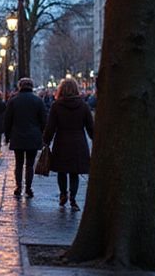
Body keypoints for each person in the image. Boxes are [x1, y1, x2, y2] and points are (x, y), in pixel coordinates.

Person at [43, 78, 94, 211]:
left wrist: (46, 141)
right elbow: (90, 127)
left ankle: (63, 194)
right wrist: (96, 139)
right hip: (78, 143)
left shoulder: (56, 106)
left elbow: (51, 127)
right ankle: (73, 197)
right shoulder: (83, 106)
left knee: (62, 171)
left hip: (61, 141)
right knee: (74, 172)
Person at [4, 77, 46, 198]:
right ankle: (28, 187)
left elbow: (8, 120)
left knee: (19, 163)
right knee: (30, 164)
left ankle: (18, 186)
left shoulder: (13, 101)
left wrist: (7, 136)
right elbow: (44, 120)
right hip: (33, 136)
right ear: (32, 87)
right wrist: (43, 135)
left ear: (20, 86)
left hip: (17, 136)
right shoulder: (38, 101)